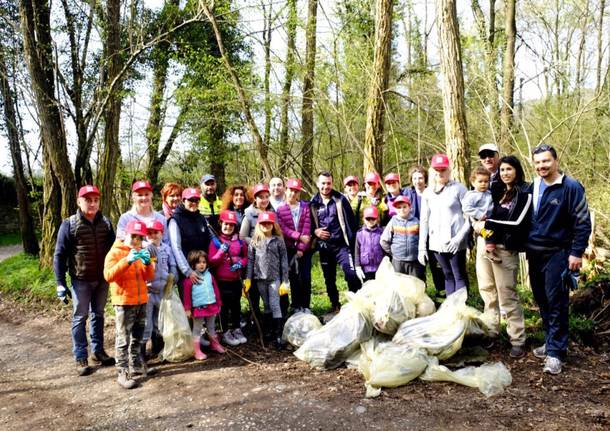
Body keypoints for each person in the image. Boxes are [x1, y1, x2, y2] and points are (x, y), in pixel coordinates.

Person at [525, 144, 591, 374]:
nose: (541, 166)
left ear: (556, 160)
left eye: (546, 161)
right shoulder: (533, 186)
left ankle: (556, 353)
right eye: (537, 162)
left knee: (557, 302)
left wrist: (576, 252)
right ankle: (550, 342)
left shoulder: (571, 187)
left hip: (559, 253)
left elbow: (583, 222)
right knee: (542, 300)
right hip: (534, 253)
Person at [472, 156, 531, 359]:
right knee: (487, 292)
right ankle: (492, 331)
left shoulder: (524, 193)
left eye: (509, 169)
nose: (505, 173)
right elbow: (480, 213)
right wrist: (478, 225)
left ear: (517, 171)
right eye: (503, 169)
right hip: (485, 244)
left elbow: (517, 223)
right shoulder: (494, 190)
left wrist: (487, 225)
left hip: (505, 249)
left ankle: (517, 339)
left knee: (507, 294)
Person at [53, 185, 116, 376]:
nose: (93, 203)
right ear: (79, 202)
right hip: (80, 280)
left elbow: (115, 250)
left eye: (96, 199)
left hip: (102, 278)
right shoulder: (69, 224)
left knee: (98, 314)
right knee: (80, 317)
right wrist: (60, 283)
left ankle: (98, 351)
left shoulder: (106, 222)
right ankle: (81, 356)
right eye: (88, 200)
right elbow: (59, 255)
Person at [104, 220, 155, 389]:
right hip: (124, 302)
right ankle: (122, 372)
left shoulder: (141, 251)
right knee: (123, 339)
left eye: (140, 238)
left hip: (141, 300)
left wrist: (148, 264)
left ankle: (136, 365)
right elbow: (108, 275)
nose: (136, 241)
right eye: (133, 236)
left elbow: (149, 277)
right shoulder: (115, 252)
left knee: (138, 337)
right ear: (126, 235)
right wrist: (127, 260)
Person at [418, 154, 470, 296]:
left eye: (443, 169)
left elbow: (470, 217)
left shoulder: (459, 189)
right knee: (447, 275)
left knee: (458, 274)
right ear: (432, 171)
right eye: (437, 170)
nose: (440, 173)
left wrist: (459, 238)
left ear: (449, 170)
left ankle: (461, 310)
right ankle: (450, 309)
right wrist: (422, 247)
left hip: (455, 242)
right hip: (437, 243)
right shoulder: (428, 192)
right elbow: (424, 220)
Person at [310, 171, 360, 312]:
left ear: (332, 183)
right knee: (329, 278)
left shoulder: (340, 199)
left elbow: (350, 223)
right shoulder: (313, 203)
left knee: (351, 274)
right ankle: (335, 305)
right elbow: (310, 225)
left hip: (342, 246)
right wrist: (316, 232)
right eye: (323, 183)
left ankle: (355, 303)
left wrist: (352, 243)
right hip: (325, 247)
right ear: (318, 184)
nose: (326, 186)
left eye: (329, 183)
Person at [244, 212, 290, 349]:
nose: (266, 225)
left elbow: (284, 261)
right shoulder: (254, 241)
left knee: (275, 305)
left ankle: (278, 335)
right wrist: (248, 279)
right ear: (259, 225)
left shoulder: (278, 240)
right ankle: (268, 331)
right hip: (260, 279)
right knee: (267, 305)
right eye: (263, 223)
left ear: (273, 224)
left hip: (275, 279)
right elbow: (251, 261)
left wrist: (285, 280)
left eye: (269, 223)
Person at [208, 210, 248, 346]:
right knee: (223, 307)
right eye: (226, 224)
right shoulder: (215, 241)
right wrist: (220, 252)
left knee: (236, 305)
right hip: (222, 281)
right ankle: (224, 331)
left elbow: (246, 257)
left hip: (236, 280)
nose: (228, 227)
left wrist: (240, 264)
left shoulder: (240, 242)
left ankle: (236, 328)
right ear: (221, 224)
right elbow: (211, 261)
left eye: (231, 225)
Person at [168, 187, 212, 304]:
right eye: (190, 200)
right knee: (188, 307)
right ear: (183, 201)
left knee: (203, 305)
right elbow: (176, 248)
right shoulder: (175, 220)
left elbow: (209, 241)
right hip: (187, 274)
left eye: (197, 200)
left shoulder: (201, 218)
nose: (194, 203)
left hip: (203, 269)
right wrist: (187, 271)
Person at [142, 219, 177, 360]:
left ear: (161, 233)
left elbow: (172, 264)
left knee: (159, 321)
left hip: (163, 291)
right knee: (146, 323)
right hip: (148, 292)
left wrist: (173, 276)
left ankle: (158, 348)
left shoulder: (167, 248)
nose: (153, 236)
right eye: (149, 233)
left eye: (155, 232)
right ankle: (141, 353)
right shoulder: (145, 249)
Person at [276, 178, 313, 313]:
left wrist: (301, 248)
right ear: (286, 190)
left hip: (304, 249)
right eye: (291, 190)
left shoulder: (305, 207)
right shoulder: (280, 209)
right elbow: (282, 228)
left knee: (306, 277)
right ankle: (296, 305)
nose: (293, 193)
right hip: (289, 249)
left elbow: (307, 227)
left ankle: (306, 305)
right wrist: (297, 237)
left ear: (299, 193)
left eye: (296, 191)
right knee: (294, 278)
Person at [183, 250, 225, 360]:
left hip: (211, 306)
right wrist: (187, 308)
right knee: (197, 328)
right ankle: (196, 350)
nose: (202, 264)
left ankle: (214, 344)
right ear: (192, 264)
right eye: (198, 262)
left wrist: (218, 302)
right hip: (199, 308)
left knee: (211, 327)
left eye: (204, 262)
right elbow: (186, 295)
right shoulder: (190, 279)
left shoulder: (209, 275)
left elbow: (215, 289)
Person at [380, 195, 424, 279]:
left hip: (414, 260)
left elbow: (422, 239)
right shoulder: (393, 221)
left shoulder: (416, 222)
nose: (402, 210)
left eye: (404, 207)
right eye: (399, 207)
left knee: (415, 283)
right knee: (399, 285)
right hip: (398, 261)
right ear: (395, 209)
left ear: (409, 207)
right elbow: (383, 240)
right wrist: (392, 252)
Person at [462, 167, 501, 263]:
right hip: (478, 219)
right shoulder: (472, 195)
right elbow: (466, 208)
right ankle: (489, 252)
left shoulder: (489, 193)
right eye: (480, 181)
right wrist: (479, 214)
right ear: (473, 183)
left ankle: (490, 249)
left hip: (490, 218)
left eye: (486, 181)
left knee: (493, 232)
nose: (483, 184)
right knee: (488, 233)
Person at [354, 206, 384, 282]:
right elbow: (357, 251)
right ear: (363, 219)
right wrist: (357, 266)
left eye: (373, 218)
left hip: (379, 268)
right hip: (366, 269)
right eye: (368, 219)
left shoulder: (381, 232)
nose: (370, 221)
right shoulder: (359, 234)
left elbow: (385, 249)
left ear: (377, 219)